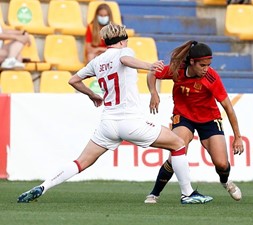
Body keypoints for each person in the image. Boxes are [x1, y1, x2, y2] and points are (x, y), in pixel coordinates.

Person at [17, 24, 213, 205]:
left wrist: (93, 95)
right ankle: (187, 194)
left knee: (80, 162)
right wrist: (149, 66)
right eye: (126, 41)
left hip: (108, 124)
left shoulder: (97, 61)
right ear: (121, 41)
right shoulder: (124, 51)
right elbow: (125, 59)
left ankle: (44, 186)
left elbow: (74, 80)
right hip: (130, 121)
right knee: (178, 144)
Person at [144, 41, 244, 204]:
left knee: (221, 163)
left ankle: (225, 181)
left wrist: (238, 137)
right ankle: (154, 194)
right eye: (203, 65)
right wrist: (153, 92)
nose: (206, 69)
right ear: (192, 62)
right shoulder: (177, 70)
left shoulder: (211, 78)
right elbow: (152, 72)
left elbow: (228, 107)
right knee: (177, 151)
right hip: (184, 117)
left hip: (209, 119)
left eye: (208, 65)